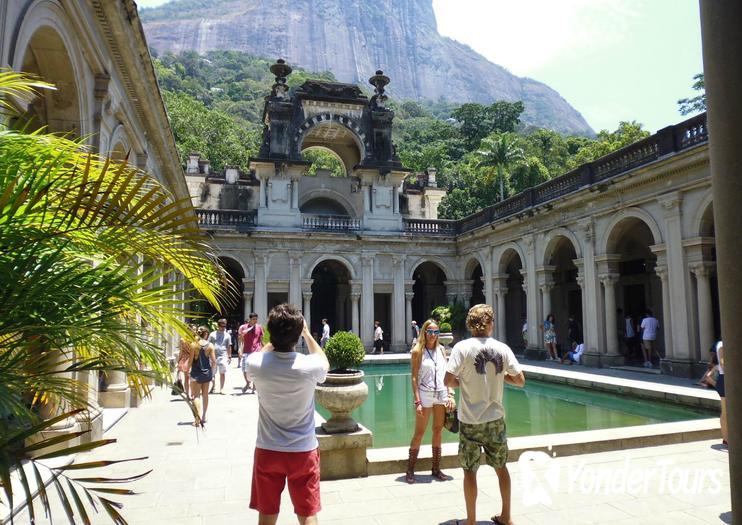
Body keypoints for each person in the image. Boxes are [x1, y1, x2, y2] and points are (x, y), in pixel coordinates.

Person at [246, 303, 329, 525]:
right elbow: (323, 360)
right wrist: (307, 334)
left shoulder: (256, 365)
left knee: (267, 514)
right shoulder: (310, 367)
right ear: (298, 332)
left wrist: (274, 340)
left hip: (268, 449)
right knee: (308, 513)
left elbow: (257, 355)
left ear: (270, 332)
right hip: (302, 450)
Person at [444, 304, 525, 525]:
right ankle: (506, 516)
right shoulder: (502, 348)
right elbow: (520, 380)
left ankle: (471, 521)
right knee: (501, 468)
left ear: (471, 323)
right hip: (495, 420)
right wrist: (500, 377)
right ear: (489, 323)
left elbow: (448, 380)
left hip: (470, 420)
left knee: (469, 471)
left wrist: (466, 382)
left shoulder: (462, 347)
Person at [406, 319, 456, 483]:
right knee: (419, 433)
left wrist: (450, 394)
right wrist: (417, 401)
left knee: (437, 431)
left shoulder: (442, 350)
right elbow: (414, 378)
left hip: (441, 394)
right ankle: (410, 470)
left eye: (436, 332)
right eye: (430, 332)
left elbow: (447, 373)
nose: (433, 335)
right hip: (425, 394)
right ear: (424, 332)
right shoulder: (417, 351)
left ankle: (436, 468)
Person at [190, 326, 216, 424]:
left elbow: (191, 360)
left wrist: (188, 370)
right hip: (207, 373)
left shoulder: (193, 345)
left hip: (196, 373)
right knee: (205, 394)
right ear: (206, 334)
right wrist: (212, 373)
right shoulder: (210, 346)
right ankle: (204, 416)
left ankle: (197, 418)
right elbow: (214, 361)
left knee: (196, 396)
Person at [239, 313, 263, 394]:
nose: (255, 321)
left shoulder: (259, 327)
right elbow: (241, 339)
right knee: (245, 369)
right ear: (249, 319)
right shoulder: (244, 327)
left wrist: (263, 349)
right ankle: (247, 383)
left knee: (256, 370)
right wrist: (240, 349)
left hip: (256, 351)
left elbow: (261, 339)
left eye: (256, 319)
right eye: (253, 319)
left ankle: (254, 388)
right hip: (246, 351)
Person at [209, 319, 232, 393]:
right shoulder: (212, 334)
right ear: (218, 326)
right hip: (213, 356)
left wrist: (229, 356)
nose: (223, 328)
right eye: (222, 326)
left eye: (224, 326)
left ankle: (222, 388)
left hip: (223, 355)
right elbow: (209, 345)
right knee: (212, 373)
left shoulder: (227, 335)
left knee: (222, 372)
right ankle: (213, 386)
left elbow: (229, 346)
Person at [176, 324, 198, 399]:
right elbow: (181, 351)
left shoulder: (184, 339)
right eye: (193, 329)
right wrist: (178, 361)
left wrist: (179, 361)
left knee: (190, 378)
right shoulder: (194, 339)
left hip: (190, 359)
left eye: (195, 329)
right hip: (189, 360)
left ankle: (190, 394)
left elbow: (181, 351)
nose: (195, 331)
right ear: (188, 330)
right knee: (189, 378)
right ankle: (189, 394)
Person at [715, 341, 727, 447]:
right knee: (725, 411)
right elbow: (723, 363)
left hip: (726, 379)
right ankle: (726, 438)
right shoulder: (722, 344)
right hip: (725, 379)